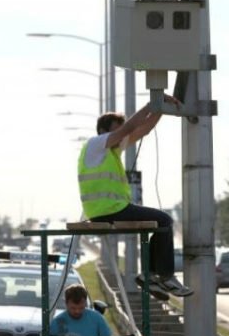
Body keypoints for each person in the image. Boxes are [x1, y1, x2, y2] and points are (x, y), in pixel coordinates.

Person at [77, 97, 192, 300]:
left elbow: (142, 130)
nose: (123, 136)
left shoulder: (111, 150)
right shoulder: (96, 145)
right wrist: (150, 105)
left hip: (109, 210)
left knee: (158, 223)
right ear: (104, 131)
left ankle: (151, 276)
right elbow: (129, 128)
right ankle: (162, 276)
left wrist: (160, 109)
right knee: (164, 220)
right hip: (109, 210)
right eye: (116, 131)